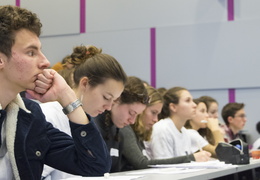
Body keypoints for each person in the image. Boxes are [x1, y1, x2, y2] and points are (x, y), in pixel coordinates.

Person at [0, 5, 111, 179]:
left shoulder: (29, 117)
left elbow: (95, 165)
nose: (45, 61)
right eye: (31, 52)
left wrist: (67, 97)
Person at [41, 49, 127, 179]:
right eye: (106, 97)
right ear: (85, 83)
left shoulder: (87, 122)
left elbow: (100, 167)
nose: (108, 107)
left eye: (113, 101)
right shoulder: (48, 115)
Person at [119, 86, 196, 171]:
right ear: (141, 110)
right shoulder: (126, 129)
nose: (156, 120)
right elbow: (141, 163)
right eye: (153, 113)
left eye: (157, 115)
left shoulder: (139, 133)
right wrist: (191, 158)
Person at [93, 76, 149, 172]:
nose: (132, 121)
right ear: (116, 100)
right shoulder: (93, 127)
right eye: (131, 113)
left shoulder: (118, 133)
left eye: (137, 115)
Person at [147, 87, 211, 161]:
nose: (194, 105)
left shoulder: (185, 132)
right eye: (188, 101)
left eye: (192, 100)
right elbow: (163, 166)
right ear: (173, 107)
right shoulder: (162, 128)